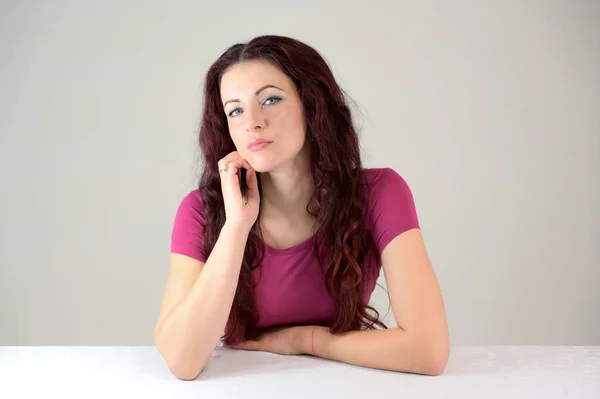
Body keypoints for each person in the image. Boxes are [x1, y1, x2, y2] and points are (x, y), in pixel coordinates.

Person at [154, 34, 449, 380]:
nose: (252, 121)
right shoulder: (201, 211)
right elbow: (181, 361)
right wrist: (237, 225)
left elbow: (428, 352)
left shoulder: (380, 193)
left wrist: (305, 340)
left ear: (312, 105)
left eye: (270, 100)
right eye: (235, 109)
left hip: (347, 384)